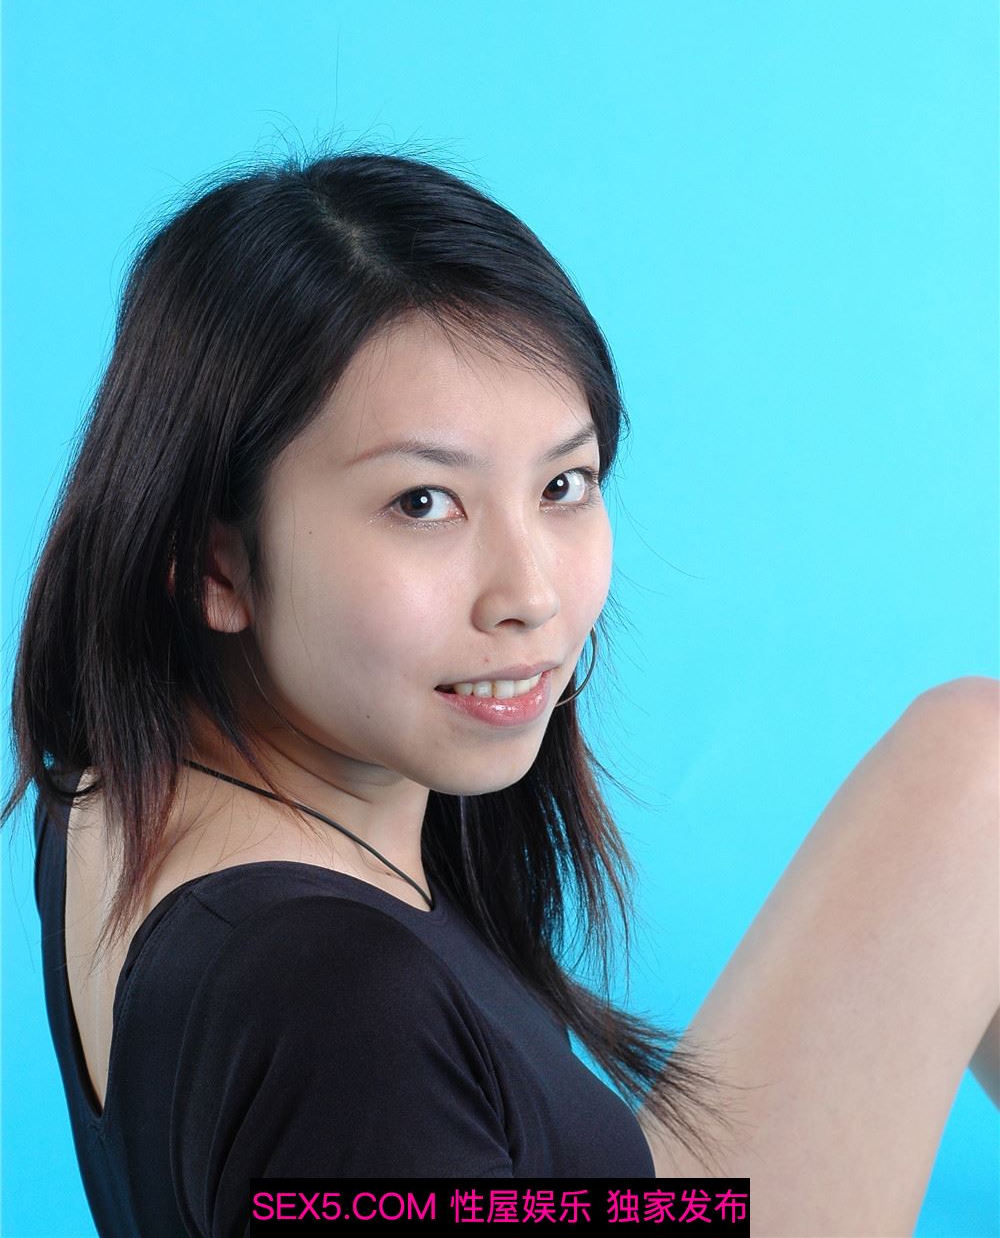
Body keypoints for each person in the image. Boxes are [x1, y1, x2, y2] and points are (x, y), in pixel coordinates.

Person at [6, 144, 997, 1238]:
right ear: (216, 565)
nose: (530, 594)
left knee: (977, 761)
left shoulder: (112, 786)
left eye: (563, 484)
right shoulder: (334, 999)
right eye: (423, 503)